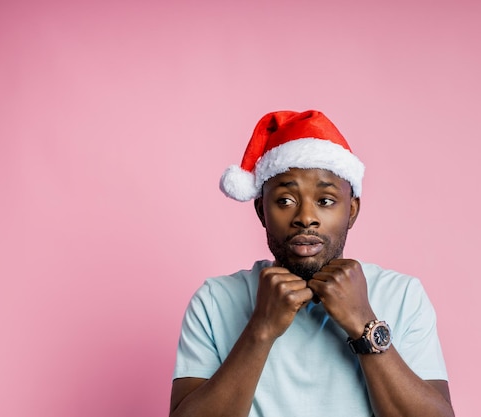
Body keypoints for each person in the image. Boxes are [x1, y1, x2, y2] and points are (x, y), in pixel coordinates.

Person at [169, 110, 454, 417]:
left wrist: (363, 324)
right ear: (261, 211)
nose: (306, 217)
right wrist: (260, 329)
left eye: (326, 200)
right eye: (285, 201)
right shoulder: (215, 300)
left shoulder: (403, 295)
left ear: (352, 210)